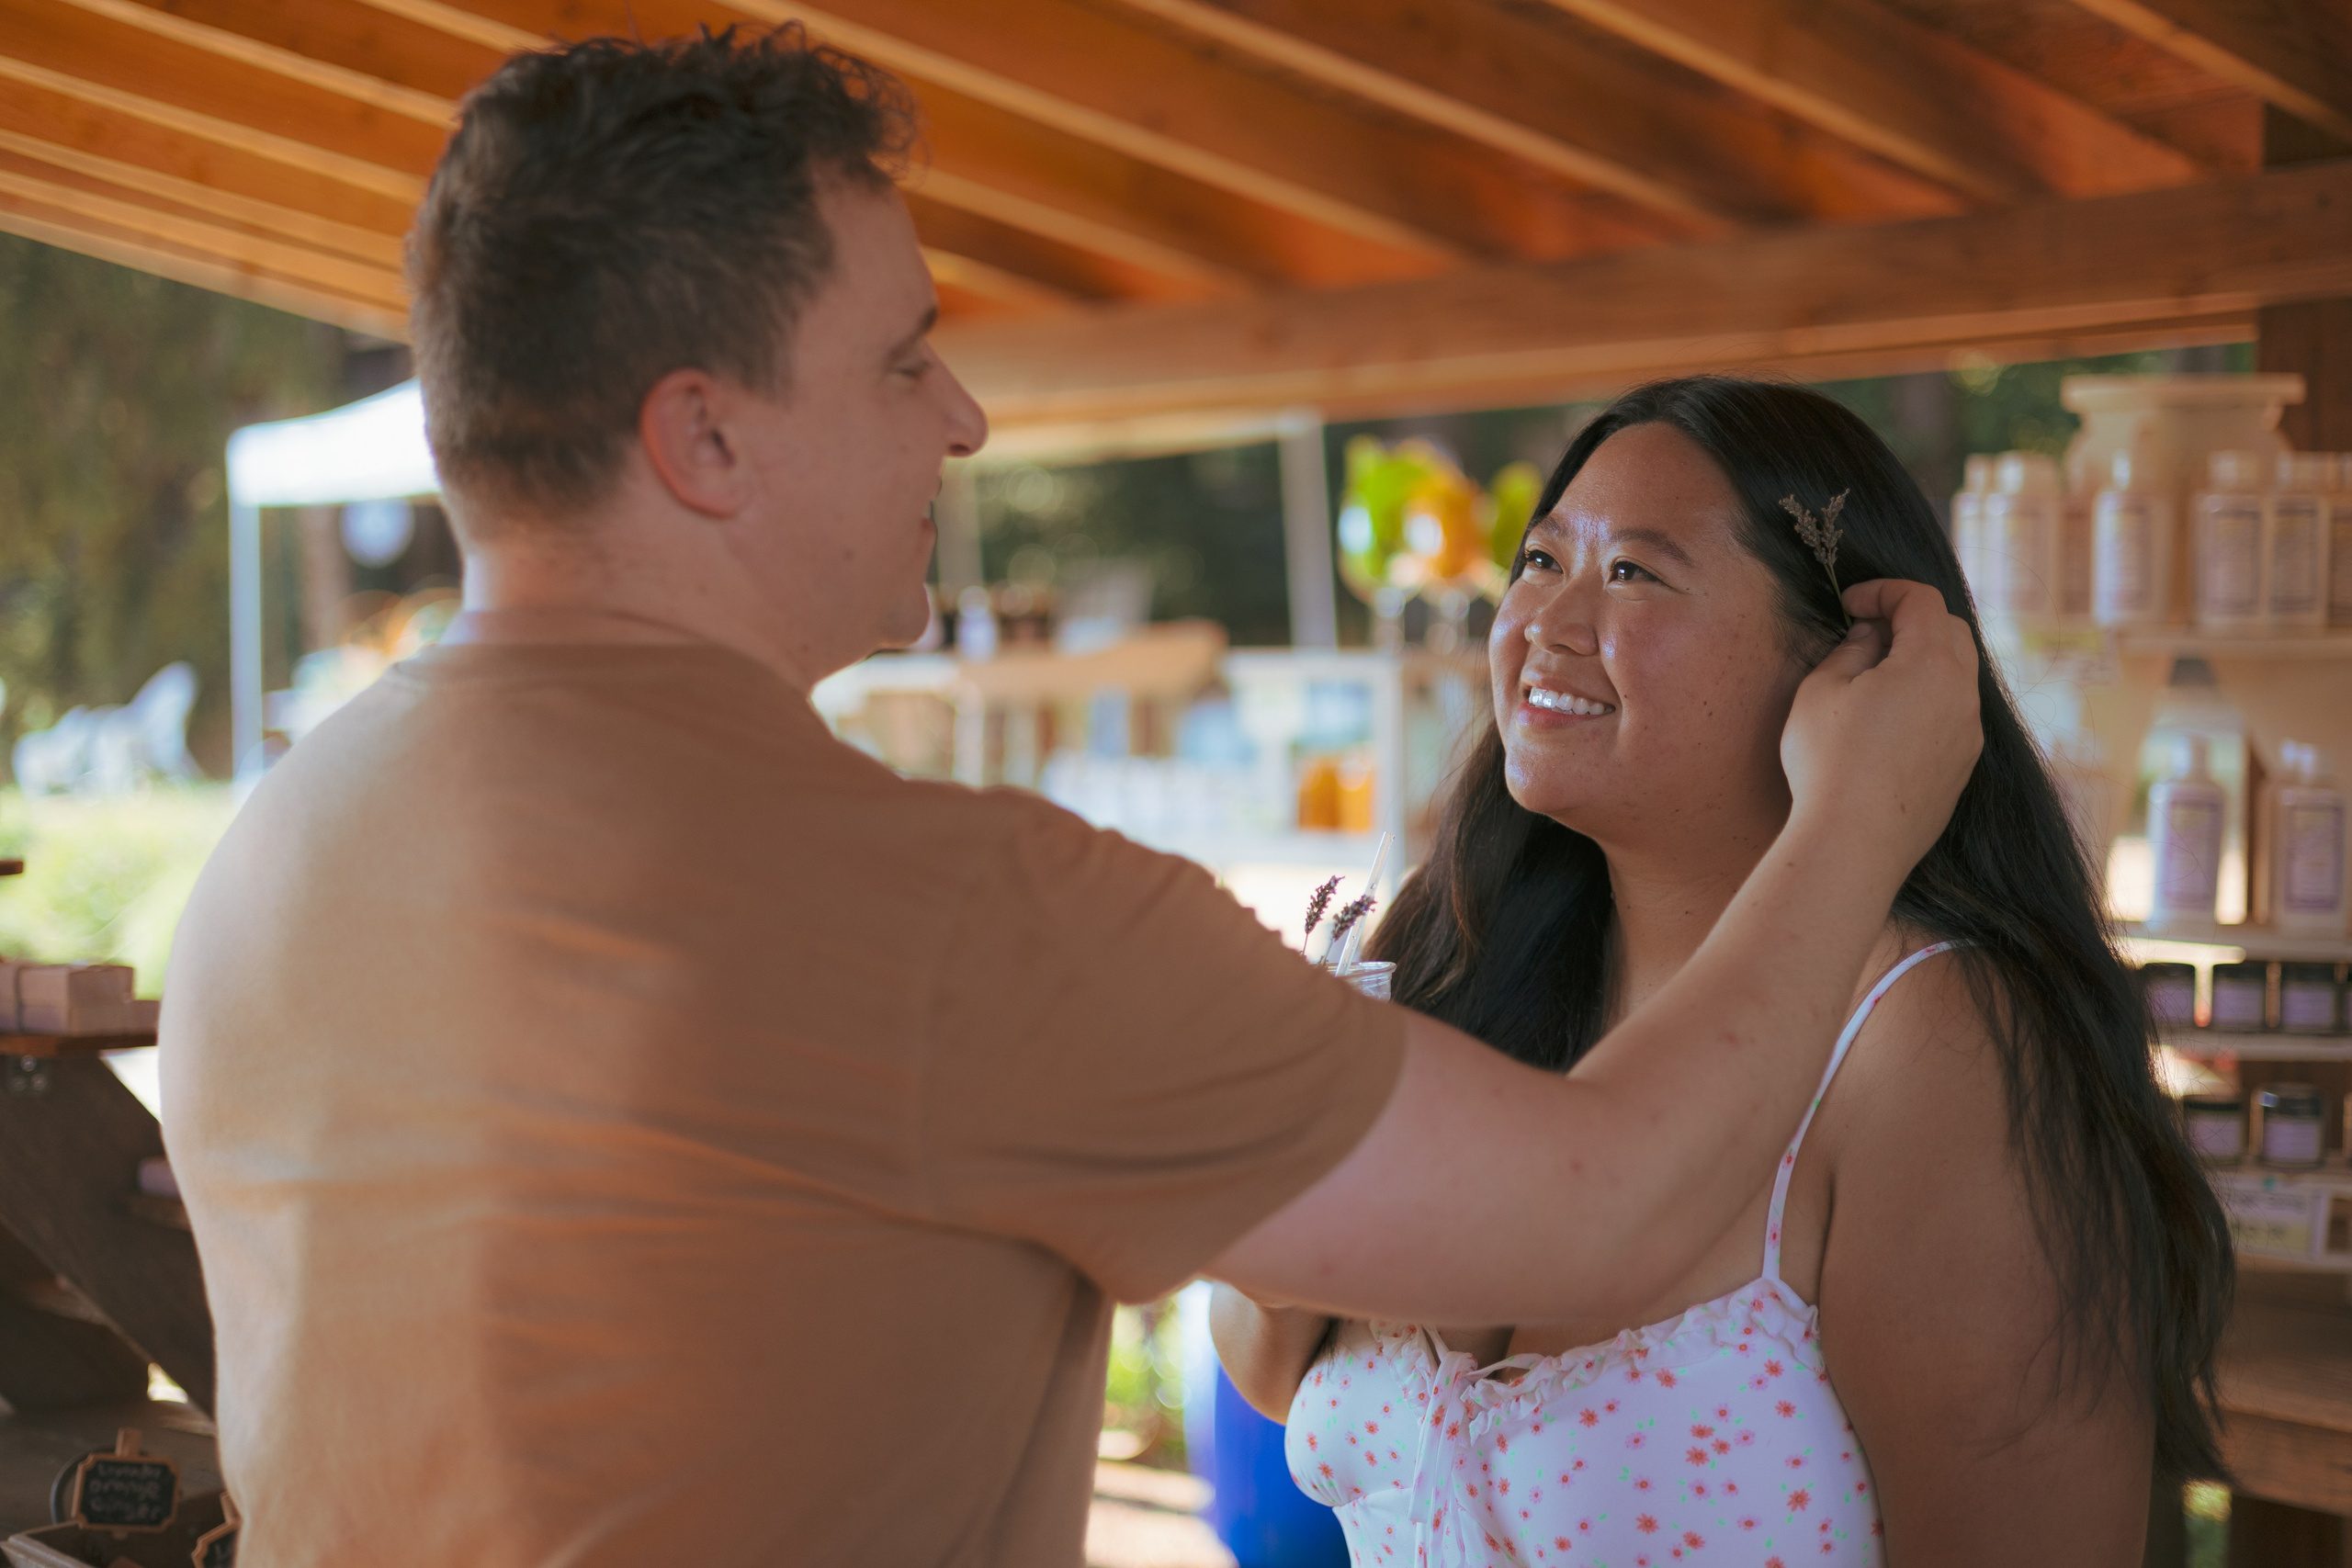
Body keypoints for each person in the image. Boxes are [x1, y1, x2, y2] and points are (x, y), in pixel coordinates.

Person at [157, 32, 1981, 1568]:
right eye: (900, 356)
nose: (958, 417)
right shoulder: (946, 916)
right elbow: (1602, 1213)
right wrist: (1858, 814)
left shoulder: (279, 855)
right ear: (702, 439)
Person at [1214, 377, 2233, 1567]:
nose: (1549, 620)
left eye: (1634, 573)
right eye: (1540, 561)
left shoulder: (1927, 1040)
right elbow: (1276, 1365)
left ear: (1847, 663)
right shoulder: (1452, 955)